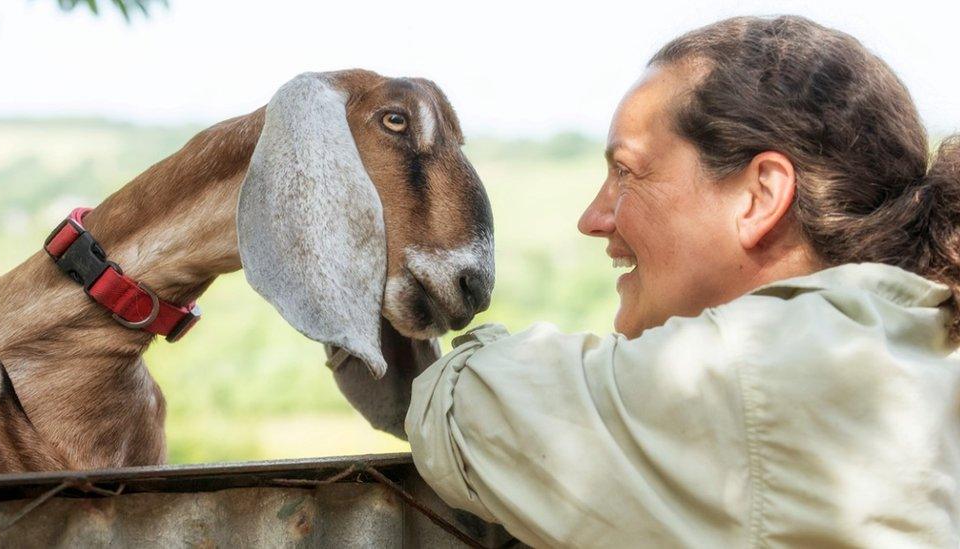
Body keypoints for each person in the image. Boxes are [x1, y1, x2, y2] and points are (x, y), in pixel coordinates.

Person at [405, 15, 960, 548]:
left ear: (760, 195)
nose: (593, 218)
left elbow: (466, 410)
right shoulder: (916, 343)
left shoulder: (767, 369)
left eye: (626, 171)